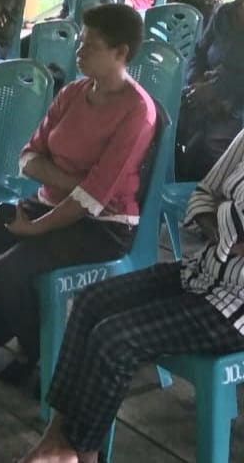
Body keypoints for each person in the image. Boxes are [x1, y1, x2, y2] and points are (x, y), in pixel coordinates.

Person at [0, 4, 156, 386]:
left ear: (121, 52)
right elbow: (29, 158)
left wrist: (36, 227)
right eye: (80, 42)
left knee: (3, 274)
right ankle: (36, 341)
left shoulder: (137, 111)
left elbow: (94, 200)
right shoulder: (73, 93)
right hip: (49, 203)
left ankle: (46, 357)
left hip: (103, 226)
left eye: (90, 46)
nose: (79, 52)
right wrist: (72, 183)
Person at [17, 130, 244, 463]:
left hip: (236, 309)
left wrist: (224, 214)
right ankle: (56, 437)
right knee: (91, 301)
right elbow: (203, 196)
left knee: (115, 339)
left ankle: (84, 453)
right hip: (202, 272)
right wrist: (226, 228)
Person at [175, 0, 244, 181]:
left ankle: (211, 194)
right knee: (165, 125)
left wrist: (217, 90)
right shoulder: (224, 14)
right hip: (204, 93)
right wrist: (196, 81)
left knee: (212, 147)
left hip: (236, 106)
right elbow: (199, 54)